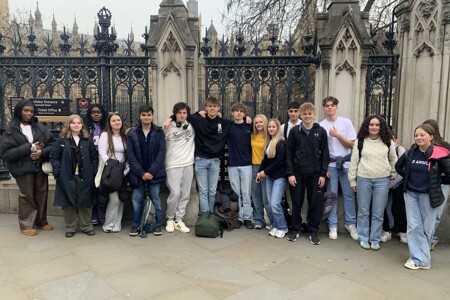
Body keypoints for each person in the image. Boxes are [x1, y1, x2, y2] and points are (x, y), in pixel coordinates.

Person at [395, 124, 450, 270]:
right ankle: (418, 259)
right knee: (413, 226)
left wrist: (437, 182)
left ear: (431, 137)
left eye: (422, 135)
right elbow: (398, 167)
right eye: (416, 135)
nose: (418, 137)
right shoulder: (411, 152)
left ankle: (423, 259)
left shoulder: (439, 153)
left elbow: (448, 174)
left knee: (426, 228)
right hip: (411, 194)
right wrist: (408, 178)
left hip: (429, 196)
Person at [0, 99, 53, 236]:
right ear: (19, 111)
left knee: (42, 193)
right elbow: (6, 154)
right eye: (26, 110)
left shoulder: (39, 127)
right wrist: (29, 147)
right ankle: (27, 224)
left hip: (40, 166)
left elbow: (52, 144)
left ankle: (41, 221)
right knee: (27, 195)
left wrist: (42, 152)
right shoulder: (10, 129)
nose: (29, 113)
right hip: (22, 167)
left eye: (31, 111)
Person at [349, 115, 397, 250]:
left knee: (378, 212)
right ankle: (363, 237)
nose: (374, 127)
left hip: (382, 180)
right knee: (363, 211)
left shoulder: (388, 141)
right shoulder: (360, 142)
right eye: (371, 125)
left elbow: (394, 158)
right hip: (363, 179)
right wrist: (352, 180)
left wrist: (393, 172)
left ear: (381, 127)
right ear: (367, 126)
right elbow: (354, 162)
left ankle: (375, 239)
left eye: (377, 125)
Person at [286, 102, 329, 245]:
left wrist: (322, 174)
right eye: (304, 114)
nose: (307, 116)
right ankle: (295, 228)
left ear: (314, 114)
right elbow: (289, 154)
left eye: (310, 113)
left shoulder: (321, 132)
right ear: (300, 115)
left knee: (315, 203)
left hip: (315, 173)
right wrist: (290, 173)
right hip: (297, 173)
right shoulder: (294, 132)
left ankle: (313, 230)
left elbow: (325, 155)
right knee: (296, 202)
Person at [50, 114, 98, 238]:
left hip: (85, 175)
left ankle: (86, 226)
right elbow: (54, 156)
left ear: (82, 125)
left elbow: (94, 157)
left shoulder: (87, 140)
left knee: (85, 200)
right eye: (73, 123)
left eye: (78, 123)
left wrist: (93, 170)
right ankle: (70, 227)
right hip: (67, 176)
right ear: (69, 125)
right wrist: (58, 171)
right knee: (68, 201)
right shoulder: (61, 140)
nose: (76, 125)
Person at [319, 96, 358, 240]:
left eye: (332, 105)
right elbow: (321, 150)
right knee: (331, 196)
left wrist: (337, 135)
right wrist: (324, 169)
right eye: (327, 105)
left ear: (336, 107)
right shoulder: (321, 125)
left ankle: (351, 223)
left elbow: (352, 145)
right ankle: (332, 225)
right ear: (323, 108)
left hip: (346, 163)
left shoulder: (346, 122)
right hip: (331, 164)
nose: (330, 108)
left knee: (349, 195)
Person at [188, 96, 232, 212]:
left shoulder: (224, 123)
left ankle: (211, 215)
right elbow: (183, 116)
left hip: (215, 161)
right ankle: (205, 216)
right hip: (201, 160)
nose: (212, 108)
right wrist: (198, 113)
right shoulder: (199, 120)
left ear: (218, 108)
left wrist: (247, 118)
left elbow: (239, 123)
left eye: (215, 106)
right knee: (203, 191)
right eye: (210, 106)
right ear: (206, 108)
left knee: (212, 190)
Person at [127, 105, 166, 237]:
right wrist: (141, 173)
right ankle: (135, 224)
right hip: (138, 174)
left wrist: (151, 172)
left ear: (152, 115)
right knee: (136, 200)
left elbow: (161, 154)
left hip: (154, 174)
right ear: (140, 116)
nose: (146, 117)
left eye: (149, 115)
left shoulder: (159, 132)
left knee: (156, 200)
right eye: (144, 115)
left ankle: (157, 224)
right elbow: (130, 155)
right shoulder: (132, 133)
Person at [164, 102, 195, 233]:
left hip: (188, 163)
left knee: (185, 194)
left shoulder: (191, 126)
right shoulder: (167, 126)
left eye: (184, 113)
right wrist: (169, 118)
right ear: (175, 113)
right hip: (172, 164)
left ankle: (179, 219)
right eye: (179, 113)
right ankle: (170, 218)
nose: (182, 115)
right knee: (175, 193)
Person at [257, 119, 288, 238]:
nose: (271, 129)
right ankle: (275, 225)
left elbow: (279, 162)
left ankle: (282, 227)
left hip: (279, 177)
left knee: (275, 203)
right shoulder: (268, 142)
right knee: (270, 203)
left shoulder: (281, 143)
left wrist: (265, 172)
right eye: (269, 127)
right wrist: (260, 172)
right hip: (269, 177)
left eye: (273, 127)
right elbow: (265, 160)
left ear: (278, 128)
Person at [98, 112, 129, 233]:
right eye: (114, 120)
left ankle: (117, 224)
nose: (117, 122)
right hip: (110, 171)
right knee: (114, 199)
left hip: (124, 170)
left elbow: (129, 154)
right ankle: (108, 224)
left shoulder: (126, 136)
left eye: (119, 120)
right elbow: (102, 153)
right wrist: (112, 165)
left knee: (121, 199)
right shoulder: (105, 135)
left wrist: (126, 169)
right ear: (109, 123)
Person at [422, 119, 450, 250]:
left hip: (441, 184)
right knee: (425, 214)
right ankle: (424, 239)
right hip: (425, 183)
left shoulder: (445, 146)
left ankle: (430, 238)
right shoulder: (421, 146)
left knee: (437, 213)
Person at [227, 102, 254, 229]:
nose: (239, 113)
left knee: (246, 192)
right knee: (236, 193)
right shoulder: (229, 126)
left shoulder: (249, 126)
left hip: (246, 164)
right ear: (232, 113)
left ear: (244, 113)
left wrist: (250, 120)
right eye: (236, 111)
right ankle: (238, 218)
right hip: (232, 163)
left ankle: (248, 218)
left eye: (241, 111)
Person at [84, 103, 107, 226]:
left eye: (99, 112)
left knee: (102, 190)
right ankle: (92, 215)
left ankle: (102, 215)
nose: (96, 114)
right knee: (91, 189)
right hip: (89, 161)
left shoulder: (106, 126)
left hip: (104, 161)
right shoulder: (85, 127)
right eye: (93, 112)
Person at [381, 137, 407, 244]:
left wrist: (389, 185)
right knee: (381, 207)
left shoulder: (400, 150)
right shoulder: (378, 147)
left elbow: (402, 170)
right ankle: (386, 230)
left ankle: (402, 231)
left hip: (398, 182)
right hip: (383, 182)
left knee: (398, 208)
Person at [251, 114, 274, 229]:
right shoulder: (253, 135)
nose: (259, 124)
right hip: (254, 167)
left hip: (265, 169)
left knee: (266, 198)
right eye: (256, 122)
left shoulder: (269, 136)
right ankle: (259, 221)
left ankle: (273, 221)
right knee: (256, 196)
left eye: (261, 122)